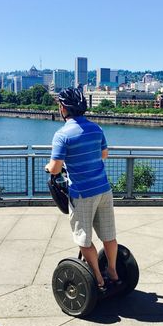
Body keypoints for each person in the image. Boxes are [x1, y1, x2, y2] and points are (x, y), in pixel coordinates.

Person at [45, 88, 120, 292]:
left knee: (83, 239)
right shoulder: (96, 129)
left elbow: (55, 168)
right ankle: (113, 272)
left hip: (82, 193)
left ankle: (97, 278)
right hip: (103, 189)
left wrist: (49, 167)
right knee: (109, 235)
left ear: (63, 108)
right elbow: (104, 155)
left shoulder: (62, 135)